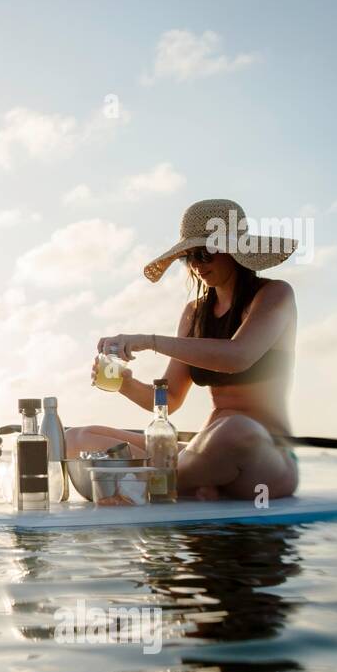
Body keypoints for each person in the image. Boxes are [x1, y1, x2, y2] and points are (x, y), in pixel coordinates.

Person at [66, 199, 301, 501]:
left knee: (235, 430)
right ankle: (182, 482)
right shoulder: (195, 313)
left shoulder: (274, 295)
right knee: (78, 438)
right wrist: (124, 384)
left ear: (235, 250)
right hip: (203, 451)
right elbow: (169, 399)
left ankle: (144, 483)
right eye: (189, 257)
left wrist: (149, 341)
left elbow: (237, 356)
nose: (197, 265)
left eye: (205, 253)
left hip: (264, 456)